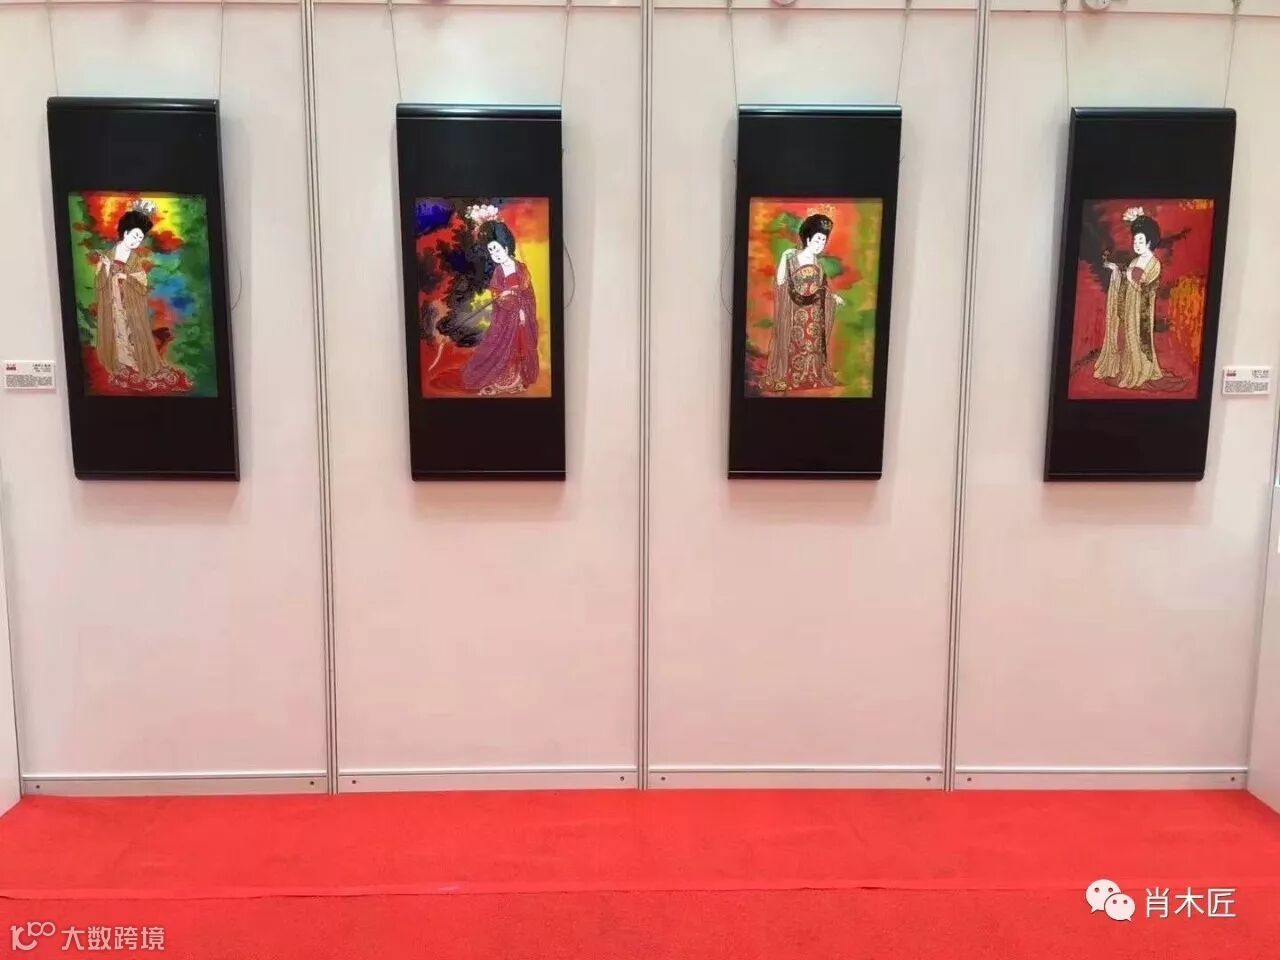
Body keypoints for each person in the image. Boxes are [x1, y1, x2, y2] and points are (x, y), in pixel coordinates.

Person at [762, 213, 845, 393]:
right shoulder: (793, 258)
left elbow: (822, 287)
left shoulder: (817, 263)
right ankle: (792, 375)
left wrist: (834, 297)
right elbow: (781, 281)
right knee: (796, 343)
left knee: (813, 344)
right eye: (817, 239)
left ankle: (811, 375)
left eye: (823, 241)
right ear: (808, 238)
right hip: (795, 311)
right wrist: (783, 257)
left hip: (814, 313)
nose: (820, 244)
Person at [94, 200, 169, 389]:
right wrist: (106, 268)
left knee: (131, 332)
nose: (136, 241)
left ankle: (136, 363)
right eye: (135, 235)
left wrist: (125, 277)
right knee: (116, 329)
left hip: (129, 303)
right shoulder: (109, 254)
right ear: (126, 232)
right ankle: (120, 362)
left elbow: (141, 280)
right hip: (113, 301)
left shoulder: (134, 259)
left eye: (140, 238)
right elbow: (100, 280)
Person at [461, 221, 539, 396]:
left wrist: (521, 309)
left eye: (496, 249)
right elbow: (496, 294)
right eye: (491, 251)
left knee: (519, 347)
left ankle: (517, 379)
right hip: (505, 318)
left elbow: (529, 296)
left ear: (506, 246)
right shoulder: (498, 272)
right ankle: (500, 379)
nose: (494, 254)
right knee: (500, 347)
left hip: (521, 319)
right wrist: (505, 297)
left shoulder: (521, 269)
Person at [1094, 208, 1164, 390]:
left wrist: (1126, 272)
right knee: (1127, 337)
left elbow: (1141, 281)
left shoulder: (1154, 263)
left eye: (1140, 241)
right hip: (1129, 306)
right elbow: (1129, 276)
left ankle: (1141, 370)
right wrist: (1116, 270)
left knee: (1138, 339)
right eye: (1135, 241)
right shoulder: (1134, 261)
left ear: (1150, 241)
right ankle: (1128, 368)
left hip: (1141, 310)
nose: (1136, 244)